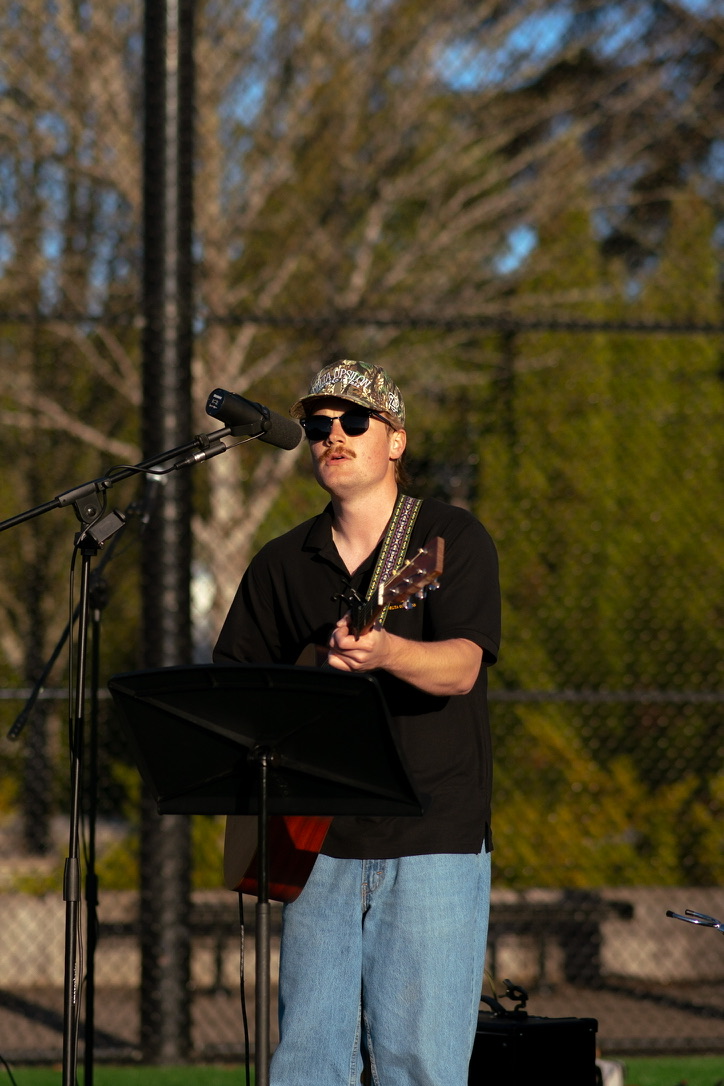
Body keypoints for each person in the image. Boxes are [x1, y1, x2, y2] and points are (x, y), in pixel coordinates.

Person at [213, 359, 501, 1086]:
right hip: (315, 842)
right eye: (317, 426)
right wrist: (311, 679)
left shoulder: (447, 540)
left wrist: (388, 650)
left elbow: (463, 666)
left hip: (432, 834)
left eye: (353, 421)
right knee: (307, 1062)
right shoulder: (282, 563)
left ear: (396, 440)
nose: (331, 436)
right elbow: (236, 693)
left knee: (421, 1067)